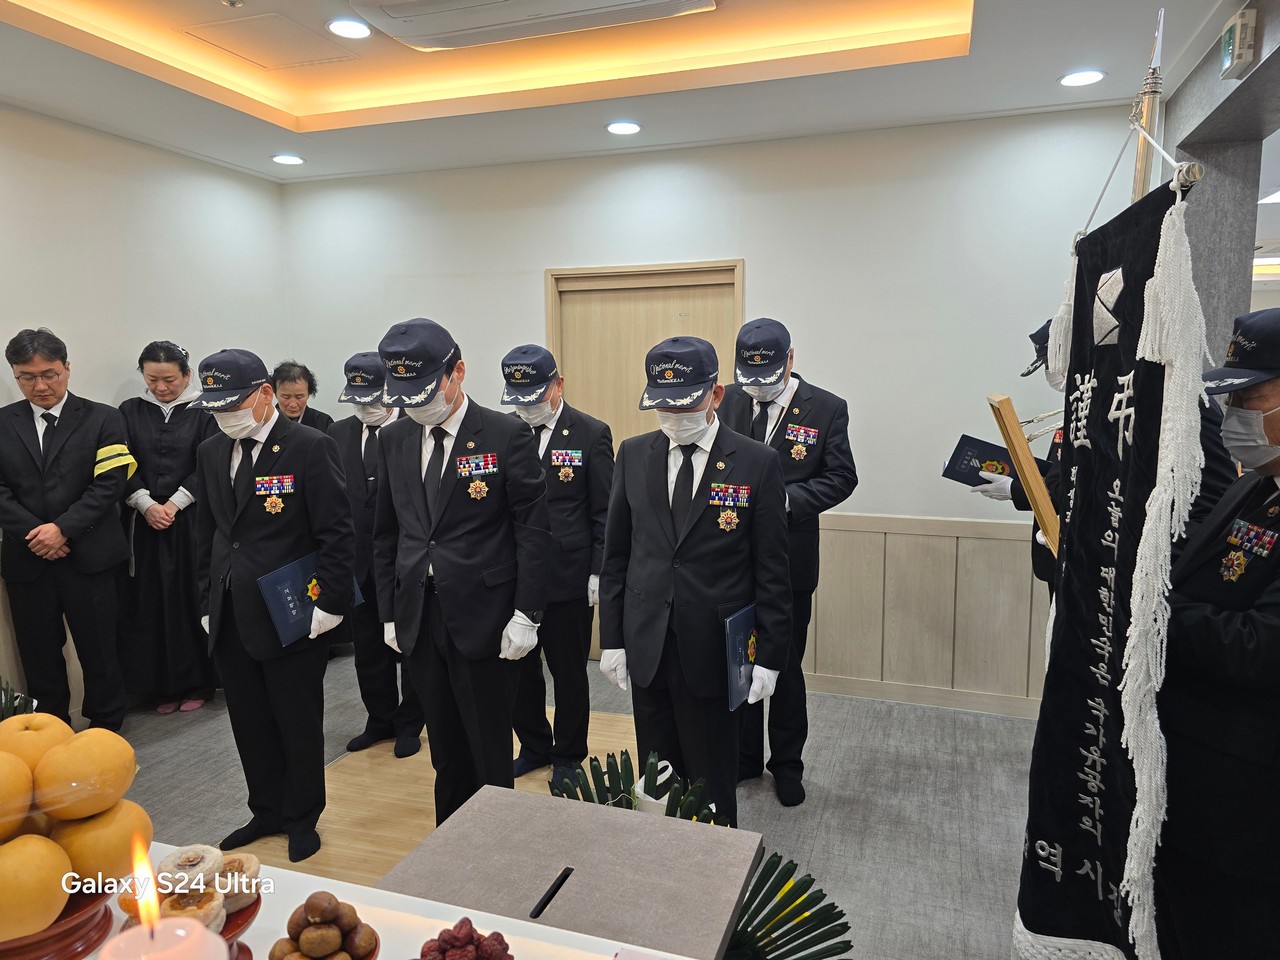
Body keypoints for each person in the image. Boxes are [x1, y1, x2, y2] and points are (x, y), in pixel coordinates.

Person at [599, 335, 791, 827]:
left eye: (684, 404)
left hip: (713, 649)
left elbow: (772, 570)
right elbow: (617, 556)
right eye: (662, 405)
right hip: (648, 644)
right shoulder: (633, 454)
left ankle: (716, 864)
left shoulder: (756, 462)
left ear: (716, 394)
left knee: (711, 783)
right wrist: (612, 639)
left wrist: (771, 657)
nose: (673, 416)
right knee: (657, 778)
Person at [372, 319, 550, 825]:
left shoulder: (505, 433)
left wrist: (528, 613)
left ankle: (495, 843)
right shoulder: (394, 438)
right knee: (445, 749)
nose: (416, 406)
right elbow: (386, 533)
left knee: (488, 748)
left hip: (485, 615)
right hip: (420, 613)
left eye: (425, 392)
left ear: (458, 372)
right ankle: (449, 843)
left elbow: (533, 532)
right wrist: (389, 612)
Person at [1150, 307, 1280, 957]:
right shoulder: (1252, 486)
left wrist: (1150, 613)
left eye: (1251, 400)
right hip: (1187, 783)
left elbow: (1262, 648)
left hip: (1246, 811)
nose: (1236, 417)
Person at [191, 348, 354, 862]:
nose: (225, 416)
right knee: (249, 721)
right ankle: (265, 809)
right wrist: (206, 598)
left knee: (296, 719)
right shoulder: (211, 450)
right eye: (215, 408)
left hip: (291, 610)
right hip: (231, 609)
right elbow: (208, 533)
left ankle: (302, 817)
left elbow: (336, 531)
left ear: (265, 394)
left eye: (232, 405)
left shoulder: (310, 446)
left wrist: (331, 601)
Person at [719, 318, 856, 807]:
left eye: (767, 376)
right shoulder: (728, 400)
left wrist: (784, 500)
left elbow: (842, 477)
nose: (757, 387)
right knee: (738, 663)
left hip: (790, 565)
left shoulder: (826, 408)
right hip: (731, 562)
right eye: (749, 378)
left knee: (785, 668)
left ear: (790, 359)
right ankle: (743, 758)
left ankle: (788, 765)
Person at [0, 328, 135, 731]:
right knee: (38, 651)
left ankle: (106, 724)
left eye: (50, 374)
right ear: (15, 374)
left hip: (90, 555)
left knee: (100, 648)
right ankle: (50, 726)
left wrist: (62, 529)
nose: (40, 386)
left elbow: (109, 484)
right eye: (27, 377)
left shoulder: (104, 418)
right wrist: (38, 534)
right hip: (28, 558)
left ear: (67, 368)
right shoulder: (3, 422)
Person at [499, 344, 614, 786]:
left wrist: (599, 570)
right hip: (514, 575)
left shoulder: (590, 433)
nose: (527, 406)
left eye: (535, 395)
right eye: (519, 398)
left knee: (568, 674)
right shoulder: (504, 431)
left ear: (558, 384)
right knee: (518, 669)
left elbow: (604, 511)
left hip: (568, 577)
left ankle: (568, 753)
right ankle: (533, 745)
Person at [328, 352, 424, 759]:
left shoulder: (414, 429)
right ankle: (380, 719)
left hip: (404, 561)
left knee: (411, 648)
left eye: (372, 398)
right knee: (367, 650)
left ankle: (411, 722)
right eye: (358, 400)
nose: (366, 407)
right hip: (357, 563)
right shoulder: (338, 432)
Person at [118, 341, 219, 714]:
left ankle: (198, 682)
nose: (161, 387)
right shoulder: (129, 411)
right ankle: (159, 687)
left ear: (187, 376)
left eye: (170, 380)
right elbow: (120, 462)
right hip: (143, 520)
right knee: (150, 600)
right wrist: (145, 503)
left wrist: (175, 503)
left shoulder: (204, 412)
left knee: (190, 597)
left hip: (191, 518)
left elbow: (210, 462)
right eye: (152, 379)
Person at [273, 360, 335, 432]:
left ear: (309, 393)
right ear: (275, 393)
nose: (293, 404)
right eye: (286, 397)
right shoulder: (266, 422)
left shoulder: (323, 422)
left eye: (299, 397)